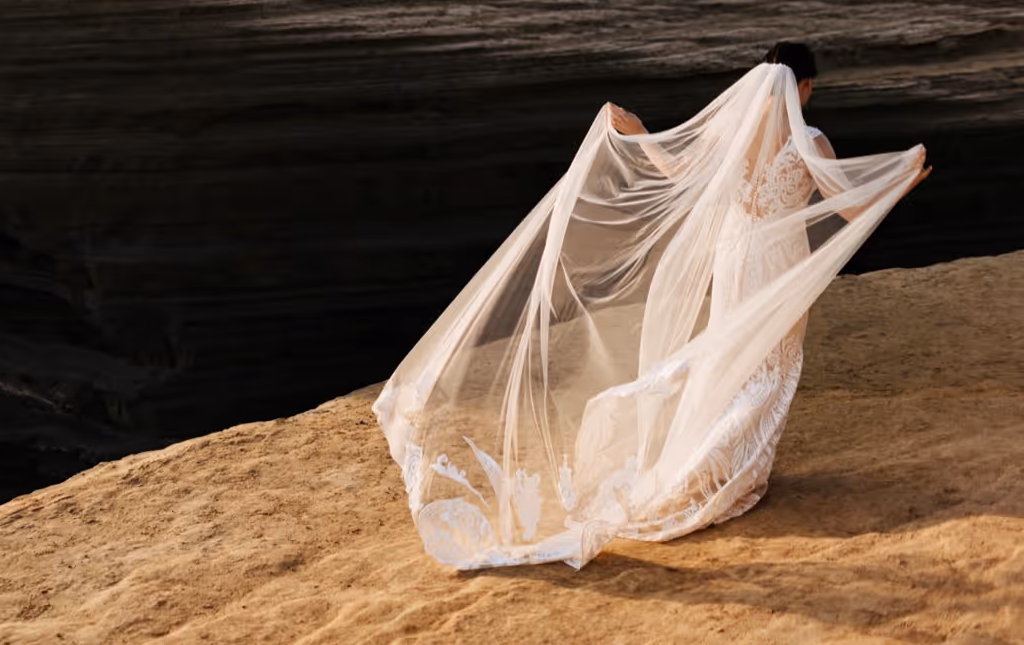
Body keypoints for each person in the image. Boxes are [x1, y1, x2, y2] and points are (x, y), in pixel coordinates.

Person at [374, 42, 931, 569]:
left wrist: (639, 133)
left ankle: (718, 467)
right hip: (776, 261)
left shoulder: (733, 134)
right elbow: (850, 211)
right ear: (803, 86)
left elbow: (680, 178)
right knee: (770, 364)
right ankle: (732, 473)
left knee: (728, 359)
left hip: (735, 257)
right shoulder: (811, 142)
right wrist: (898, 185)